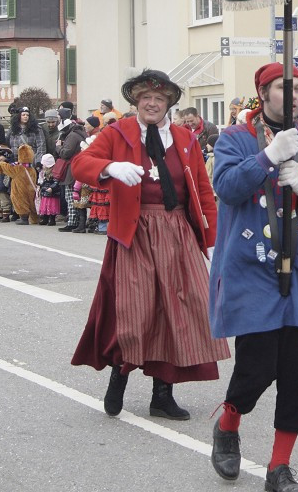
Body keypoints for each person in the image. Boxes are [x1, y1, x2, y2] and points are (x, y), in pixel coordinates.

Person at [208, 63, 298, 492]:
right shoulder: (234, 139)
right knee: (257, 365)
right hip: (253, 266)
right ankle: (229, 423)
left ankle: (278, 468)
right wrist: (267, 157)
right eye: (283, 88)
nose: (294, 96)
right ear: (262, 93)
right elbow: (227, 187)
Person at [71, 69, 229, 422]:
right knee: (135, 311)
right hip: (135, 232)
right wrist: (109, 167)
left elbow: (202, 192)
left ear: (169, 103)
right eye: (145, 99)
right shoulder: (117, 133)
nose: (152, 103)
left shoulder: (185, 139)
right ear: (136, 103)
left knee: (178, 312)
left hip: (176, 232)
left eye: (159, 99)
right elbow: (81, 164)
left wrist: (213, 241)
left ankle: (163, 393)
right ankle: (119, 377)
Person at [57, 117, 88, 232]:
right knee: (76, 195)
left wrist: (59, 146)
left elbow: (66, 153)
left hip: (71, 168)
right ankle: (78, 222)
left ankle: (72, 222)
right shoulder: (81, 133)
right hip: (78, 167)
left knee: (70, 196)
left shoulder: (72, 136)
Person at [37, 154, 61, 226]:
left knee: (52, 206)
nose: (42, 166)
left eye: (43, 164)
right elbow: (44, 181)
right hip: (46, 191)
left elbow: (56, 182)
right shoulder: (44, 172)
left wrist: (52, 188)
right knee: (45, 205)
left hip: (52, 192)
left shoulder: (54, 173)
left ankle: (52, 219)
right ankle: (45, 218)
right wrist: (40, 185)